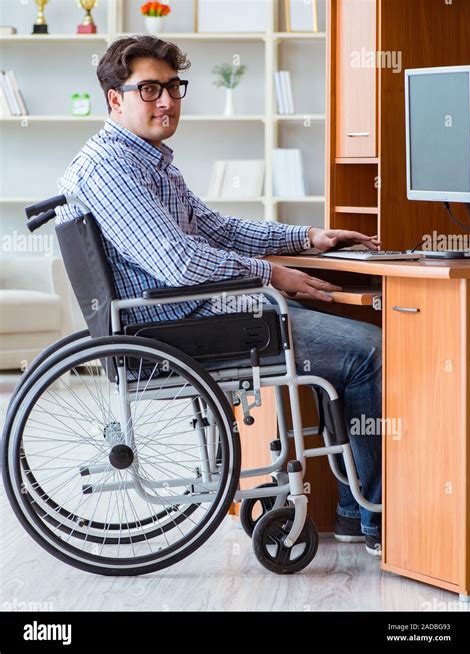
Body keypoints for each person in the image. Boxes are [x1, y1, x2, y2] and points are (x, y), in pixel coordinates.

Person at [56, 35, 382, 555]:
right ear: (115, 99)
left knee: (333, 335)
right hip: (183, 327)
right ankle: (374, 521)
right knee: (369, 350)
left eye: (173, 87)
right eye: (149, 90)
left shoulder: (146, 160)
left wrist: (305, 238)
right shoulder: (110, 168)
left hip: (199, 314)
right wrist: (272, 274)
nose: (166, 101)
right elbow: (179, 262)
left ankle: (349, 510)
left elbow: (216, 230)